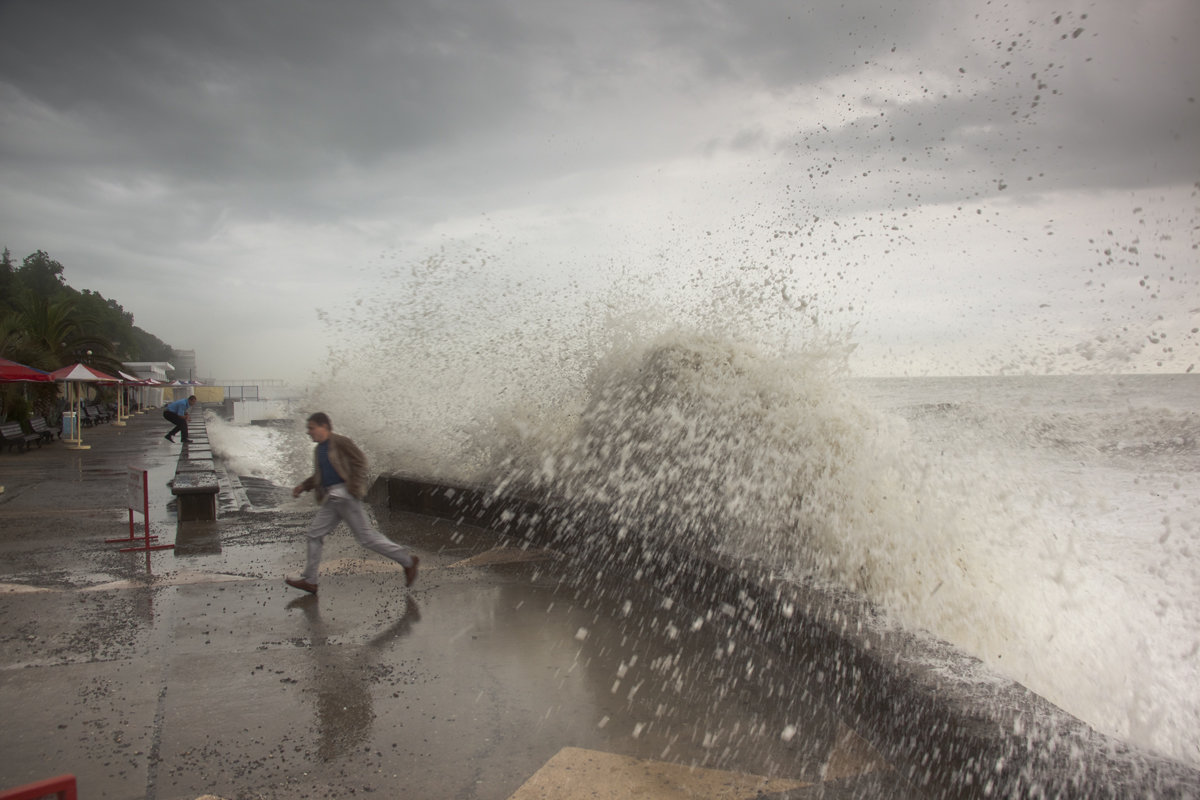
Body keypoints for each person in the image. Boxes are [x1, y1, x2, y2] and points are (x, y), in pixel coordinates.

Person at [285, 412, 418, 594]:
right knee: (314, 535)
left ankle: (408, 561)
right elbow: (319, 476)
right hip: (332, 498)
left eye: (312, 428)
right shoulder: (319, 450)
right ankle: (310, 580)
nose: (309, 432)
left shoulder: (340, 442)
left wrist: (352, 488)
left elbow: (360, 462)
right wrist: (303, 486)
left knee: (367, 538)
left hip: (346, 496)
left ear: (324, 426)